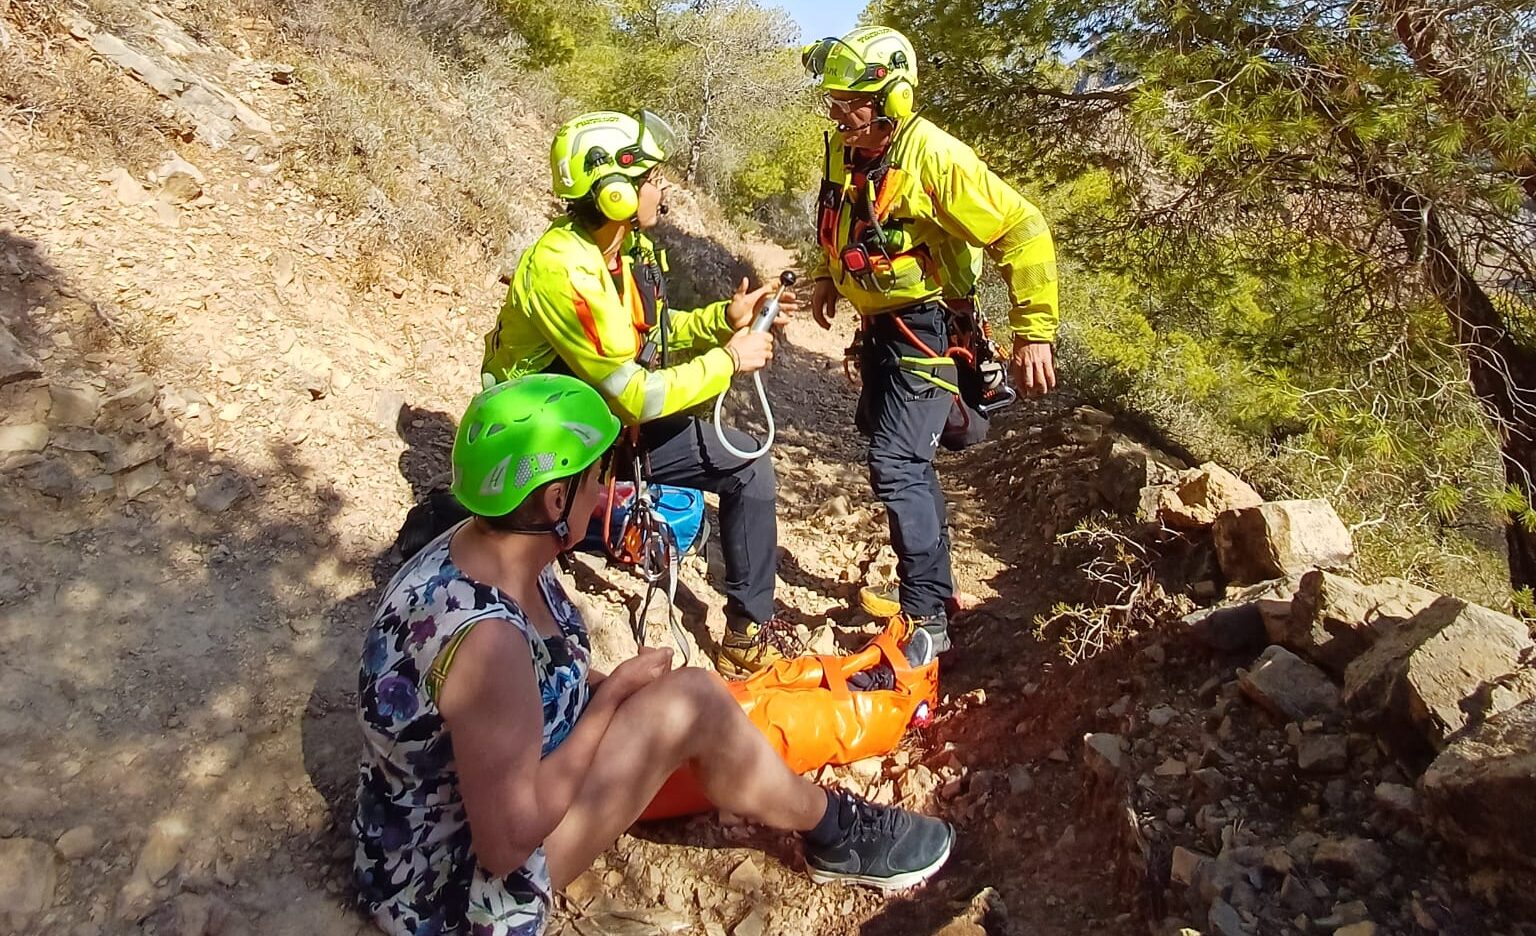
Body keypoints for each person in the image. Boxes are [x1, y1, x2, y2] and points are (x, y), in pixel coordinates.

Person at [353, 375, 954, 936]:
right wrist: (609, 700)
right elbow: (507, 844)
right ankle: (833, 831)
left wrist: (609, 698)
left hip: (410, 839)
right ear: (556, 499)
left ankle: (803, 809)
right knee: (690, 699)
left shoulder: (476, 549)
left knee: (689, 703)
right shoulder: (487, 641)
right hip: (454, 902)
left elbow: (534, 679)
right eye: (599, 475)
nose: (606, 489)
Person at [482, 110, 798, 677]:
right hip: (547, 438)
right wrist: (728, 360)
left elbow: (650, 338)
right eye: (651, 178)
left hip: (600, 419)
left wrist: (722, 321)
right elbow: (638, 396)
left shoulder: (619, 255)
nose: (661, 188)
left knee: (748, 466)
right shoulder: (565, 270)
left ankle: (744, 633)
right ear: (615, 194)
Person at [802, 26, 1061, 654]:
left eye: (851, 103)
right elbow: (841, 218)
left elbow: (1023, 228)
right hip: (881, 329)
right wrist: (824, 277)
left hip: (928, 328)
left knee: (896, 461)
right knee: (901, 455)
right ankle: (936, 591)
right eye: (833, 102)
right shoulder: (846, 148)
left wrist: (1034, 332)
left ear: (893, 96)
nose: (839, 116)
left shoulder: (934, 156)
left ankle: (928, 620)